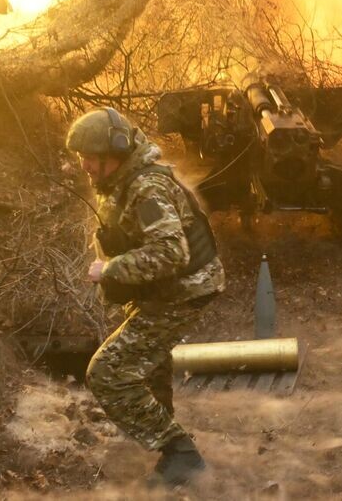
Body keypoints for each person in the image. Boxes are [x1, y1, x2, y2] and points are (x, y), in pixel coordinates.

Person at [66, 107, 225, 486]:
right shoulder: (122, 182)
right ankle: (166, 439)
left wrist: (111, 270)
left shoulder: (146, 187)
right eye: (80, 157)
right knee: (148, 364)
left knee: (106, 372)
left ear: (116, 152)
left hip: (184, 290)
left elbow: (172, 253)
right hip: (167, 289)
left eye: (90, 157)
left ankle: (180, 453)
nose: (84, 165)